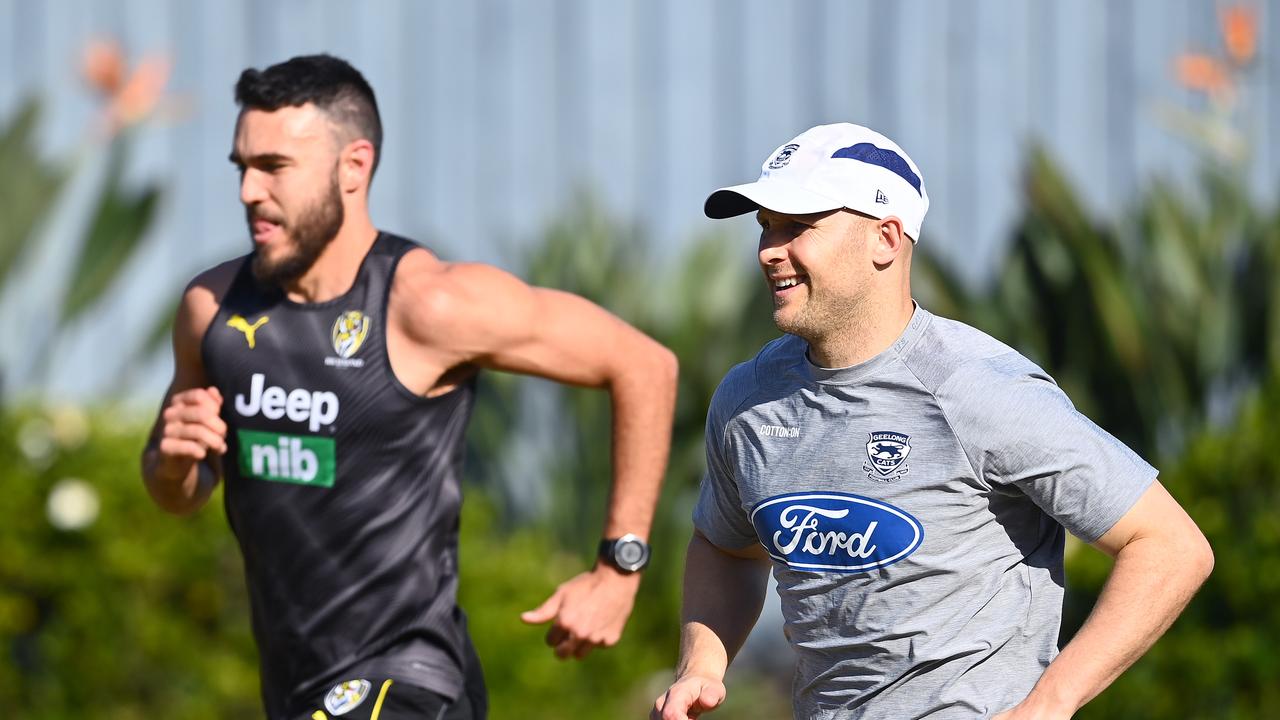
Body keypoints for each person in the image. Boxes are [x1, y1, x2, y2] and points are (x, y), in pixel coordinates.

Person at [140, 54, 677, 720]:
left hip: (410, 681)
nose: (250, 191)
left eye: (274, 167)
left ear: (353, 166)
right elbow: (179, 493)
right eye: (241, 167)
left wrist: (618, 569)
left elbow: (645, 365)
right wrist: (171, 463)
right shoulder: (212, 310)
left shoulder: (430, 305)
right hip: (296, 689)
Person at [652, 123, 1213, 719]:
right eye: (765, 227)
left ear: (885, 239)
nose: (769, 249)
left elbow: (1171, 546)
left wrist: (1050, 704)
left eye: (797, 226)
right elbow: (726, 546)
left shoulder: (977, 390)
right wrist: (702, 667)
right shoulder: (749, 399)